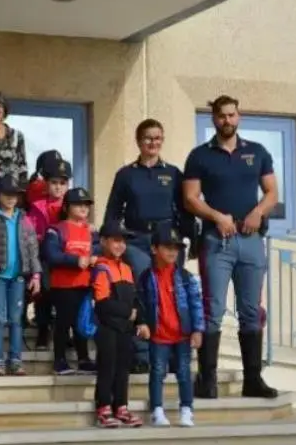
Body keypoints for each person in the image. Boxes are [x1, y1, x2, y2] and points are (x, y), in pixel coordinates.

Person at [183, 95, 279, 400]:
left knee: (251, 310)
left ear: (239, 116)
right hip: (216, 240)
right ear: (214, 119)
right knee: (213, 309)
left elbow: (272, 192)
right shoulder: (200, 156)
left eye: (232, 115)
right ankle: (206, 380)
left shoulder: (258, 152)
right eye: (222, 116)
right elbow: (190, 198)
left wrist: (258, 212)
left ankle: (253, 380)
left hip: (250, 239)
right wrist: (216, 216)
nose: (228, 120)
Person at [104, 119, 197, 373]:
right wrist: (110, 241)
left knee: (173, 294)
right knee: (145, 291)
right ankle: (144, 353)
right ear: (139, 141)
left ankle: (176, 356)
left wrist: (192, 240)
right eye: (148, 138)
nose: (153, 143)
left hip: (167, 241)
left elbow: (185, 210)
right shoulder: (126, 175)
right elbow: (113, 211)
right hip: (136, 240)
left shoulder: (173, 173)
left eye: (157, 138)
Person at [137, 225, 205, 427]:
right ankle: (157, 410)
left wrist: (197, 330)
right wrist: (142, 323)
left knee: (184, 373)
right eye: (167, 247)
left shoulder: (185, 277)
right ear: (154, 249)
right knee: (157, 372)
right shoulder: (146, 277)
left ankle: (187, 409)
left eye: (176, 248)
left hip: (182, 335)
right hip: (159, 335)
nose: (173, 252)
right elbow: (139, 302)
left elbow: (196, 304)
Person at [0, 175, 41, 376]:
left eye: (14, 195)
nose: (11, 198)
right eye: (7, 194)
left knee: (16, 319)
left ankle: (15, 359)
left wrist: (36, 274)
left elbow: (32, 248)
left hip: (19, 277)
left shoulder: (24, 219)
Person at [91, 220, 143, 428]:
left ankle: (121, 405)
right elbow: (102, 303)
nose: (120, 245)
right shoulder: (102, 267)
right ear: (103, 241)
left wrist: (138, 319)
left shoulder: (127, 268)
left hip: (125, 328)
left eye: (123, 242)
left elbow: (135, 298)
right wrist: (127, 312)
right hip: (107, 327)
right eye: (116, 241)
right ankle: (104, 406)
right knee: (107, 367)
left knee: (123, 368)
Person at [44, 188, 98, 375]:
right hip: (64, 285)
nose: (83, 208)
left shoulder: (91, 231)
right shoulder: (57, 229)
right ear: (67, 207)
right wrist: (76, 261)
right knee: (64, 322)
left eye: (86, 205)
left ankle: (83, 359)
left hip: (86, 285)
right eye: (78, 204)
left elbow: (99, 250)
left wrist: (95, 258)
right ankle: (59, 360)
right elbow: (51, 254)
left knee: (82, 323)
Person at [27, 152, 71, 350]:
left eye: (62, 183)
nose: (58, 187)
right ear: (46, 183)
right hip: (44, 256)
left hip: (66, 256)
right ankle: (43, 331)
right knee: (44, 293)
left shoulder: (72, 205)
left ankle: (65, 332)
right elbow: (31, 232)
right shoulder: (37, 206)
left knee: (65, 297)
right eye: (54, 182)